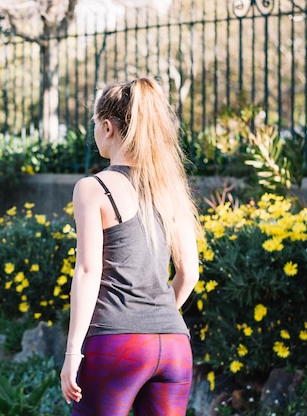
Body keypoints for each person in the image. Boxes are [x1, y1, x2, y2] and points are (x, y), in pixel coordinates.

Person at [60, 77, 202, 415]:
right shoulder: (170, 188)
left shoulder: (93, 188)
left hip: (116, 343)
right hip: (174, 346)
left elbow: (88, 271)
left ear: (108, 127)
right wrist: (158, 320)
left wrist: (73, 354)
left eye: (94, 124)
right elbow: (190, 273)